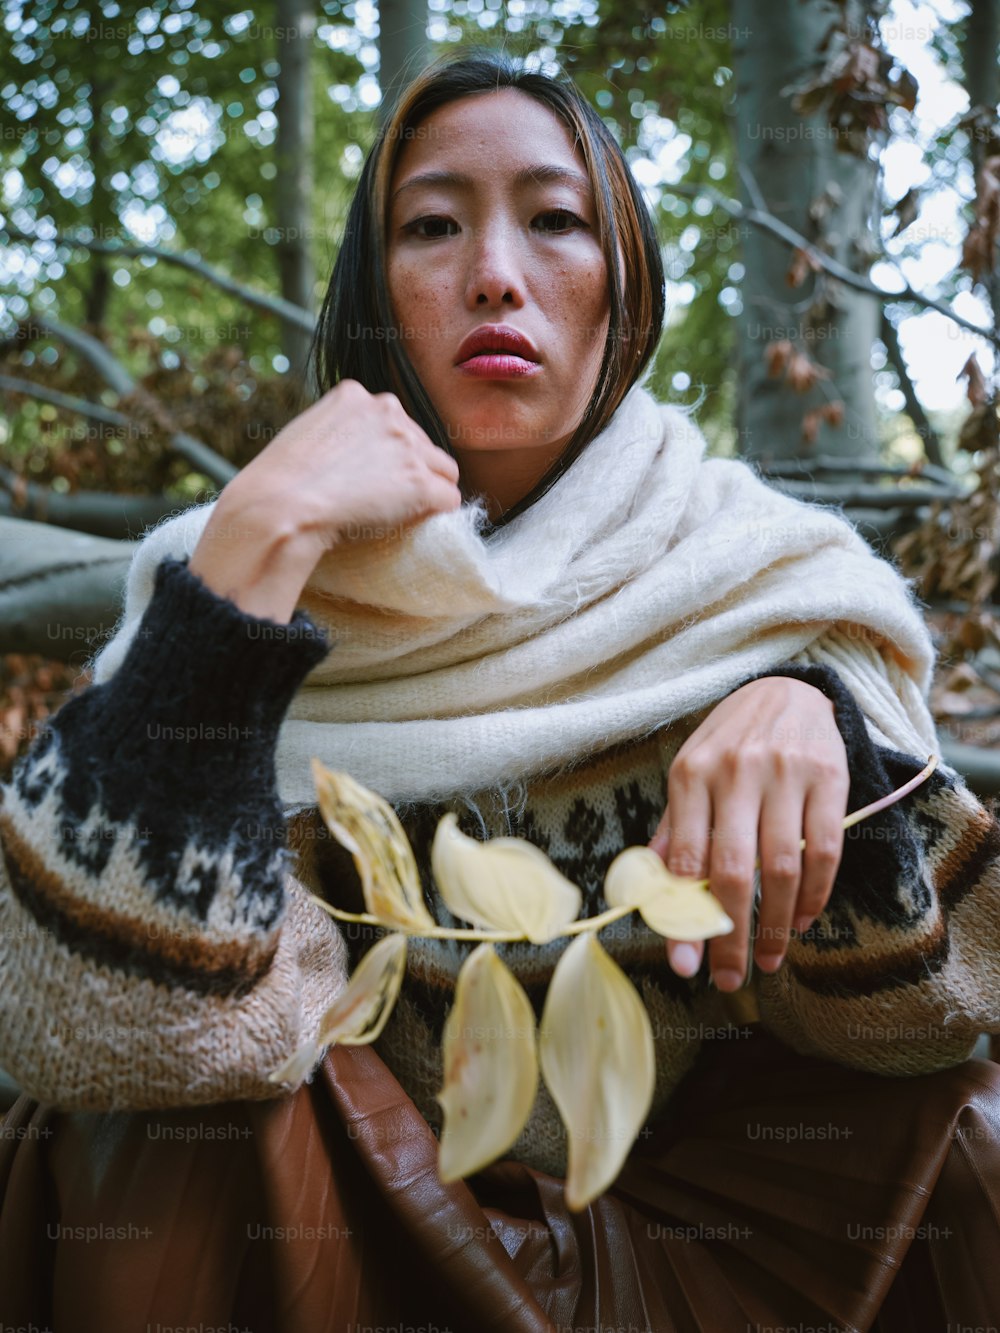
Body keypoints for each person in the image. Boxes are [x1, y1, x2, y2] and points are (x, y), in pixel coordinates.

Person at [2, 46, 1000, 1333]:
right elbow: (92, 1032)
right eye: (431, 225)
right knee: (150, 1148)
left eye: (555, 220)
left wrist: (823, 719)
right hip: (339, 1231)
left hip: (721, 1228)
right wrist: (251, 544)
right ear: (374, 293)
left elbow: (931, 1024)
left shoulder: (770, 579)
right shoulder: (236, 578)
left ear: (624, 288)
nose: (493, 273)